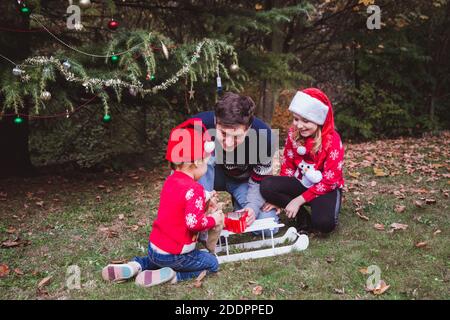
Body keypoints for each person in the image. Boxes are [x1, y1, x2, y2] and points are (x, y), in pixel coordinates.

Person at [101, 118, 224, 287]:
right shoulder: (194, 189)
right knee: (212, 263)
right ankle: (174, 276)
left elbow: (181, 200)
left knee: (155, 259)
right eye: (206, 162)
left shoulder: (171, 180)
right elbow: (194, 223)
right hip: (176, 255)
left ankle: (135, 266)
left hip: (155, 250)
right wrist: (213, 220)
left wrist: (206, 196)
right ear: (196, 162)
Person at [193, 92, 279, 236]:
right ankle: (202, 215)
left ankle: (240, 204)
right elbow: (182, 173)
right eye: (224, 134)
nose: (228, 143)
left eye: (236, 136)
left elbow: (260, 180)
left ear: (249, 128)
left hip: (243, 181)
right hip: (211, 177)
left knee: (267, 227)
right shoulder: (198, 125)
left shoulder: (265, 137)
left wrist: (252, 207)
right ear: (215, 121)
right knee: (204, 155)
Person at [260, 88, 344, 234]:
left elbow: (330, 181)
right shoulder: (294, 133)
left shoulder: (333, 140)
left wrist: (299, 200)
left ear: (319, 120)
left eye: (305, 120)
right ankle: (301, 216)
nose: (299, 125)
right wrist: (279, 197)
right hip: (301, 181)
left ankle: (313, 208)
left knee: (323, 225)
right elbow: (288, 165)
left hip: (324, 188)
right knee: (267, 185)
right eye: (296, 119)